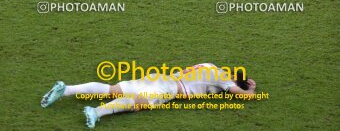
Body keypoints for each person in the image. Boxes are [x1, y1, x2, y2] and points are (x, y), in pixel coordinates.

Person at [41, 62, 256, 128]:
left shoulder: (209, 65)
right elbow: (242, 95)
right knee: (138, 103)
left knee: (112, 89)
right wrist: (251, 90)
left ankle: (67, 89)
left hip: (160, 77)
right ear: (235, 80)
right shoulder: (223, 78)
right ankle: (96, 112)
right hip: (171, 89)